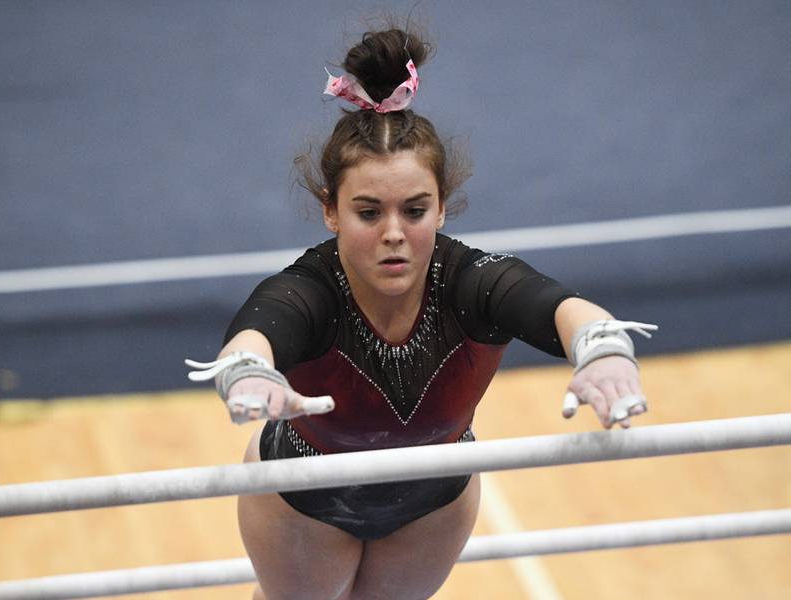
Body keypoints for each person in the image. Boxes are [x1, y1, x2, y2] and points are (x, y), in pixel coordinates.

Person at [186, 25, 656, 600]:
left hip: (433, 505)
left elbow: (558, 306)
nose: (393, 235)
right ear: (330, 211)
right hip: (305, 497)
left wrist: (603, 349)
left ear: (441, 207)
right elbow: (257, 332)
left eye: (414, 210)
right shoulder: (310, 291)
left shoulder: (471, 282)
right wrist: (249, 371)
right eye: (368, 212)